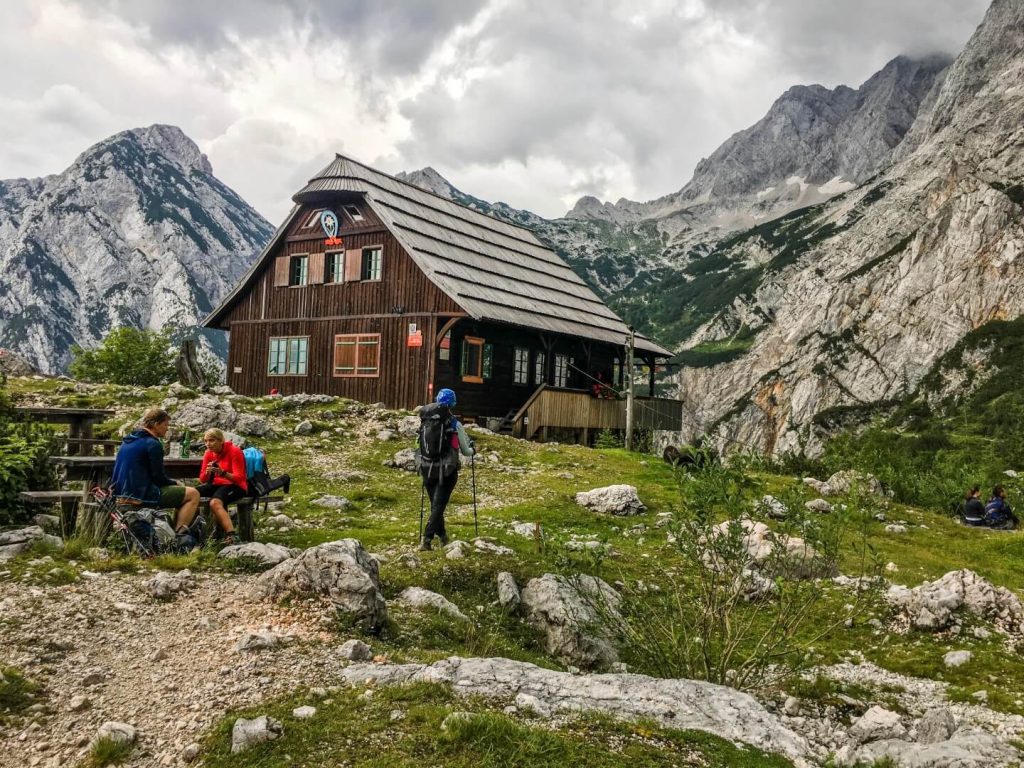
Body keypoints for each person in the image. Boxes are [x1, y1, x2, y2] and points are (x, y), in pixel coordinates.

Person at [112, 407, 200, 534]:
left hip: (121, 493)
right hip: (140, 494)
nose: (167, 428)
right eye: (165, 424)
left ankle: (172, 532)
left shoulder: (129, 440)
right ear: (155, 424)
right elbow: (158, 477)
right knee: (193, 494)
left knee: (182, 493)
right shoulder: (153, 444)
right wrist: (174, 483)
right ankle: (177, 537)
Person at [417, 388, 475, 551]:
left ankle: (443, 537)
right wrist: (473, 450)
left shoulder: (425, 421)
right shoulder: (455, 424)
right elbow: (465, 450)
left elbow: (418, 445)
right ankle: (426, 540)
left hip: (427, 468)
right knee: (438, 506)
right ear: (452, 403)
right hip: (447, 471)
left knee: (436, 506)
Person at [197, 428, 248, 545]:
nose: (208, 444)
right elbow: (202, 479)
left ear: (221, 441)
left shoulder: (234, 451)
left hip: (236, 486)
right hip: (217, 485)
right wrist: (208, 472)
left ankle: (232, 536)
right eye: (205, 441)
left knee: (214, 503)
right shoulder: (208, 453)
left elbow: (239, 477)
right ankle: (187, 532)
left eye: (211, 440)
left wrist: (222, 472)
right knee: (190, 494)